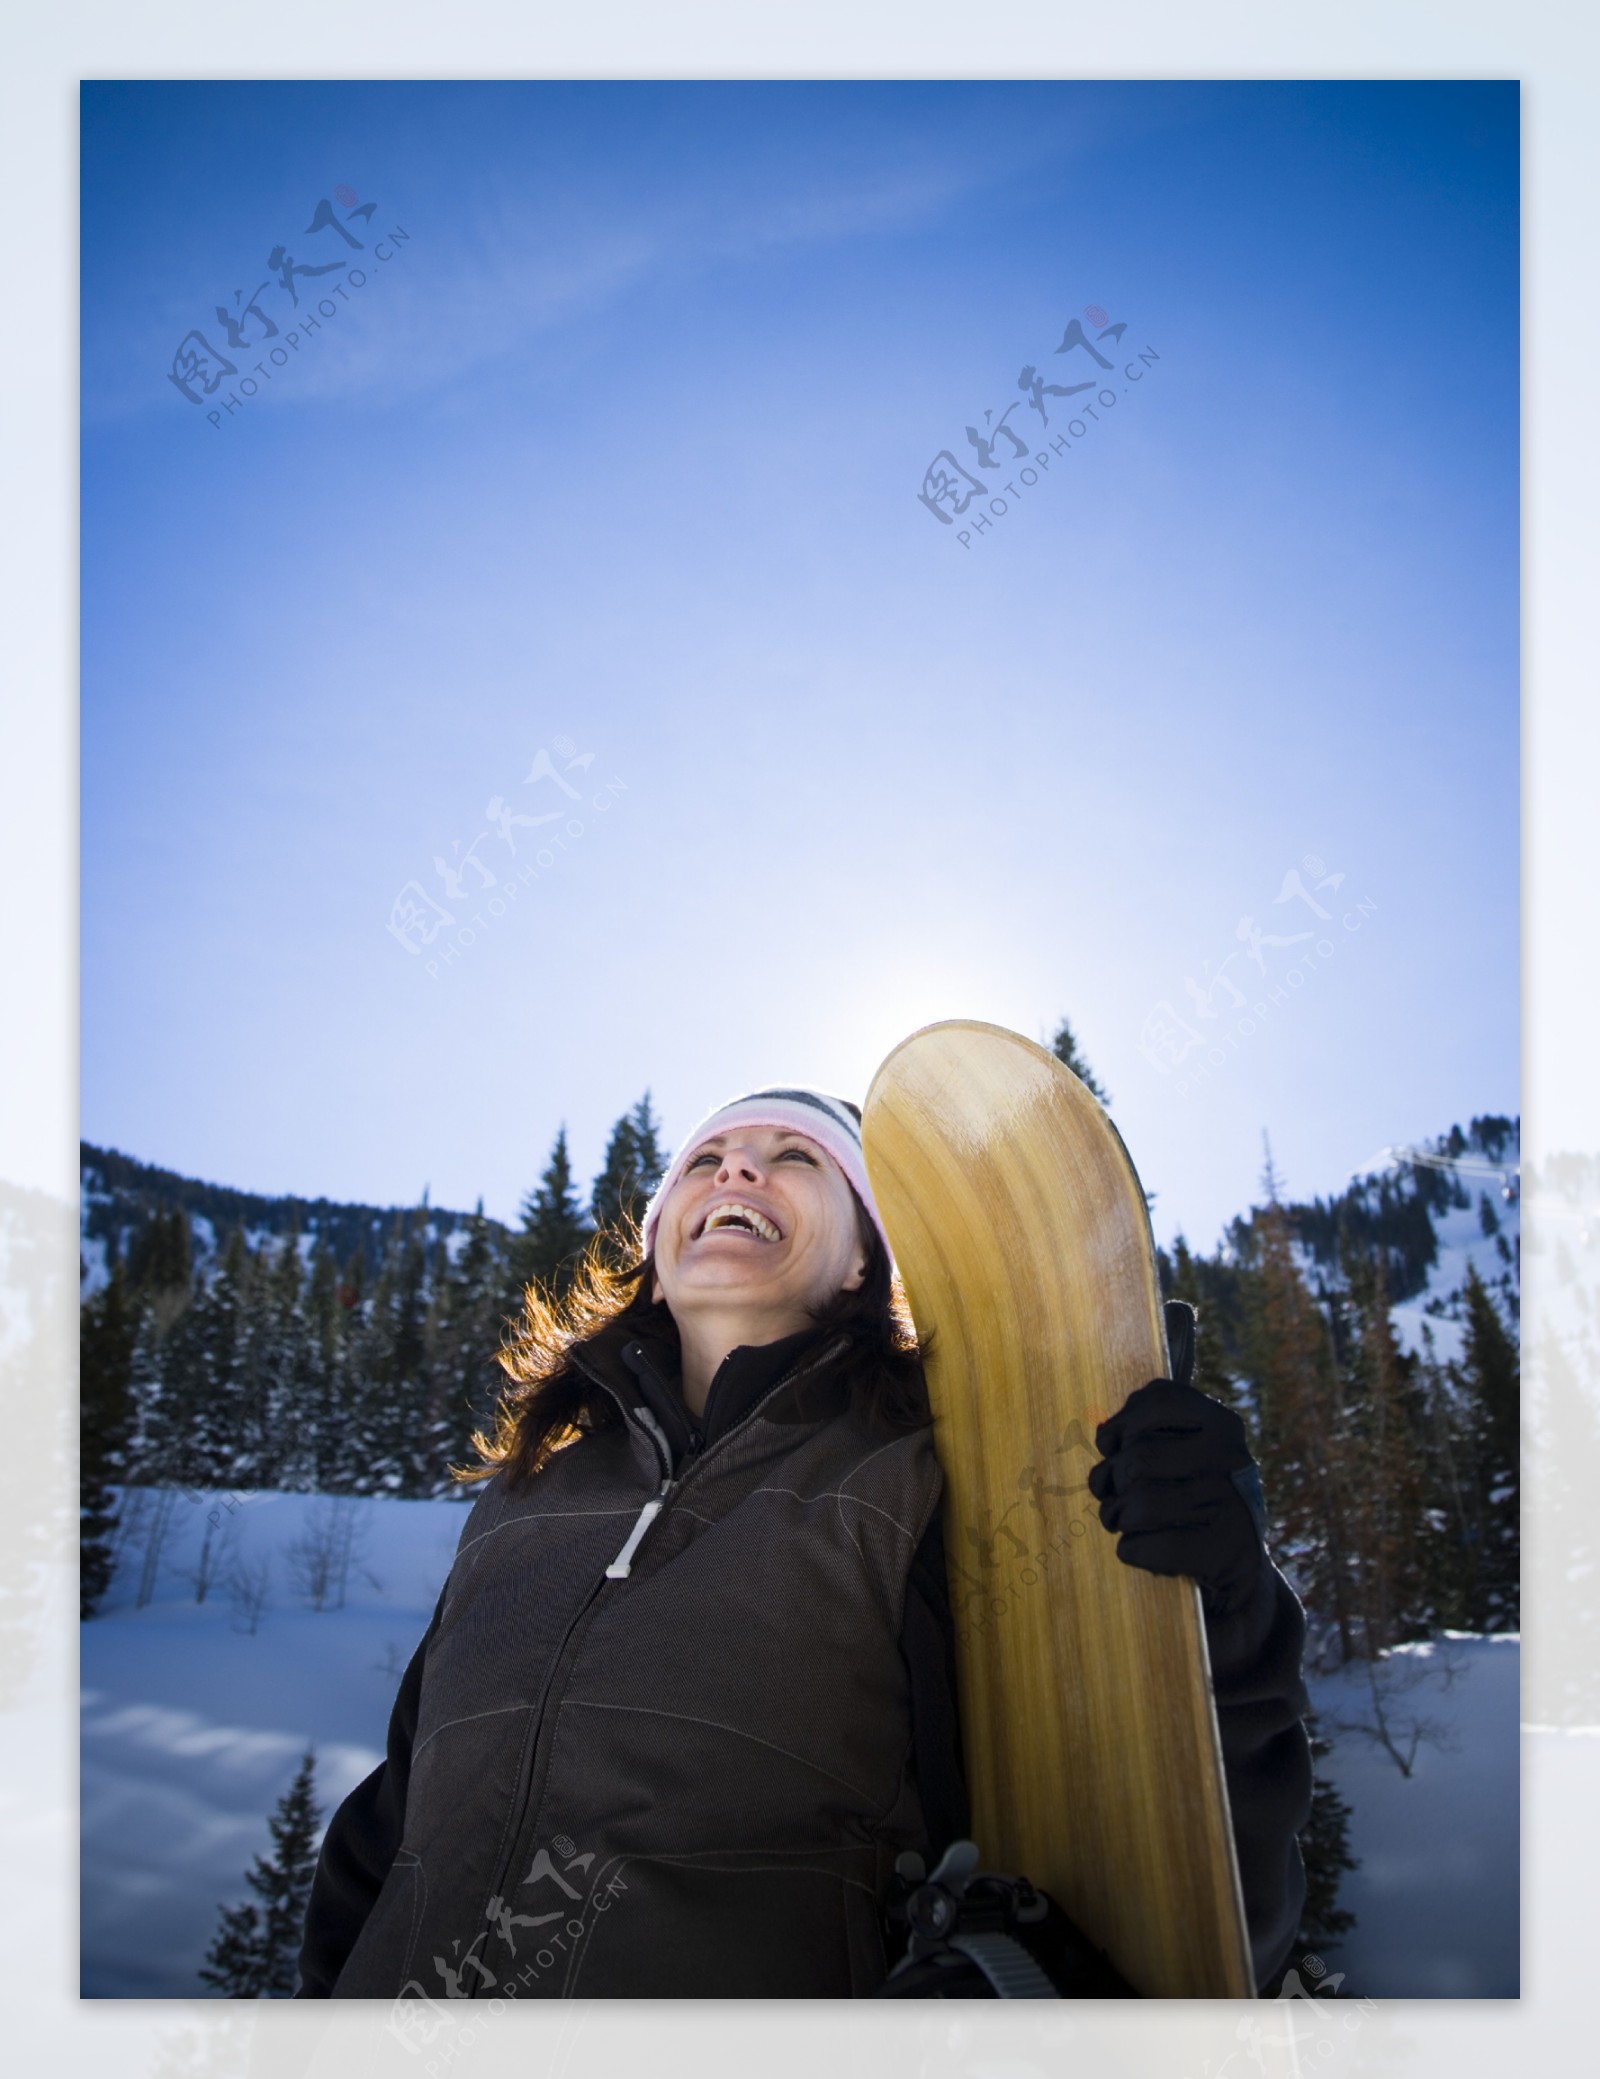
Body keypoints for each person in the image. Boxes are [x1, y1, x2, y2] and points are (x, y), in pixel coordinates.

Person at [295, 1087, 1312, 2001]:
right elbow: (390, 1824)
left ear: (865, 1255)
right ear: (656, 1252)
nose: (736, 1168)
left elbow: (1152, 1816)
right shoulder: (530, 1497)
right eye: (706, 1159)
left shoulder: (919, 1478)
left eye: (793, 1155)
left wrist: (1214, 1595)